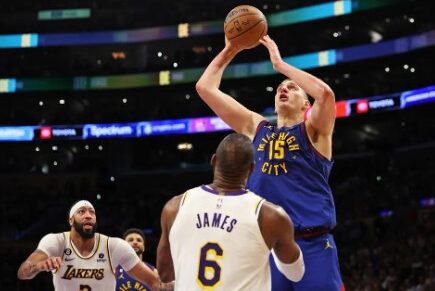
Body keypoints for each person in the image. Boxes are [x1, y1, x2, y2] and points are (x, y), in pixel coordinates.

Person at [195, 35, 343, 290]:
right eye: (279, 89)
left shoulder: (314, 131)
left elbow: (326, 95)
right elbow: (205, 88)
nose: (283, 89)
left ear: (306, 104)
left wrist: (280, 65)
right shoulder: (257, 128)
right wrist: (231, 48)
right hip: (265, 247)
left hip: (313, 244)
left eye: (292, 87)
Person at [156, 133, 305, 290]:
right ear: (252, 168)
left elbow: (165, 274)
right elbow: (295, 273)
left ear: (213, 160)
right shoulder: (271, 216)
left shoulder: (174, 207)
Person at [17, 200, 173, 291]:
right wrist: (38, 267)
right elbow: (23, 273)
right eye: (82, 212)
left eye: (92, 212)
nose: (88, 215)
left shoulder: (114, 246)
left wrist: (186, 283)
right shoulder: (56, 241)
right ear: (71, 220)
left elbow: (154, 281)